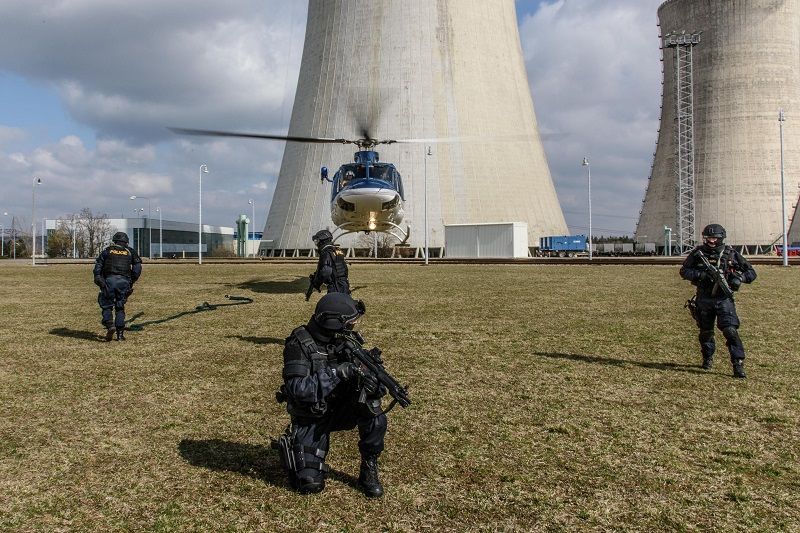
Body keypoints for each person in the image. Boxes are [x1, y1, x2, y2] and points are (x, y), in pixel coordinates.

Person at [275, 293, 387, 497]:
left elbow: (369, 377)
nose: (352, 327)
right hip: (313, 415)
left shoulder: (344, 339)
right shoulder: (299, 343)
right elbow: (297, 389)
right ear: (333, 323)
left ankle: (369, 466)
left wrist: (372, 385)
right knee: (309, 484)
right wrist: (336, 373)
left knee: (374, 409)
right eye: (349, 323)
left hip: (342, 407)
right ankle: (298, 441)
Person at [680, 224, 756, 378]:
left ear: (721, 238)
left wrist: (739, 278)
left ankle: (738, 363)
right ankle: (707, 357)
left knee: (730, 331)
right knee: (706, 332)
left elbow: (751, 273)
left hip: (723, 299)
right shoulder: (697, 253)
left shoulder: (731, 254)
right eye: (708, 238)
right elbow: (684, 271)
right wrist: (701, 275)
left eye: (714, 238)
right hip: (704, 298)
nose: (711, 242)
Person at [93, 231, 142, 341]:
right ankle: (120, 335)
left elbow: (98, 266)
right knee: (120, 307)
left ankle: (110, 325)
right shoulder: (130, 252)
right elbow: (137, 268)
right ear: (126, 242)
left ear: (115, 241)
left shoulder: (107, 250)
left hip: (109, 281)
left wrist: (98, 278)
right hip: (124, 282)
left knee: (106, 305)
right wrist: (131, 281)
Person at [308, 229, 350, 296]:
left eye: (317, 241)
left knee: (333, 304)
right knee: (344, 302)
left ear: (322, 240)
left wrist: (317, 283)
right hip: (344, 283)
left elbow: (326, 271)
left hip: (335, 285)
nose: (316, 244)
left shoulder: (326, 252)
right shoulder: (336, 250)